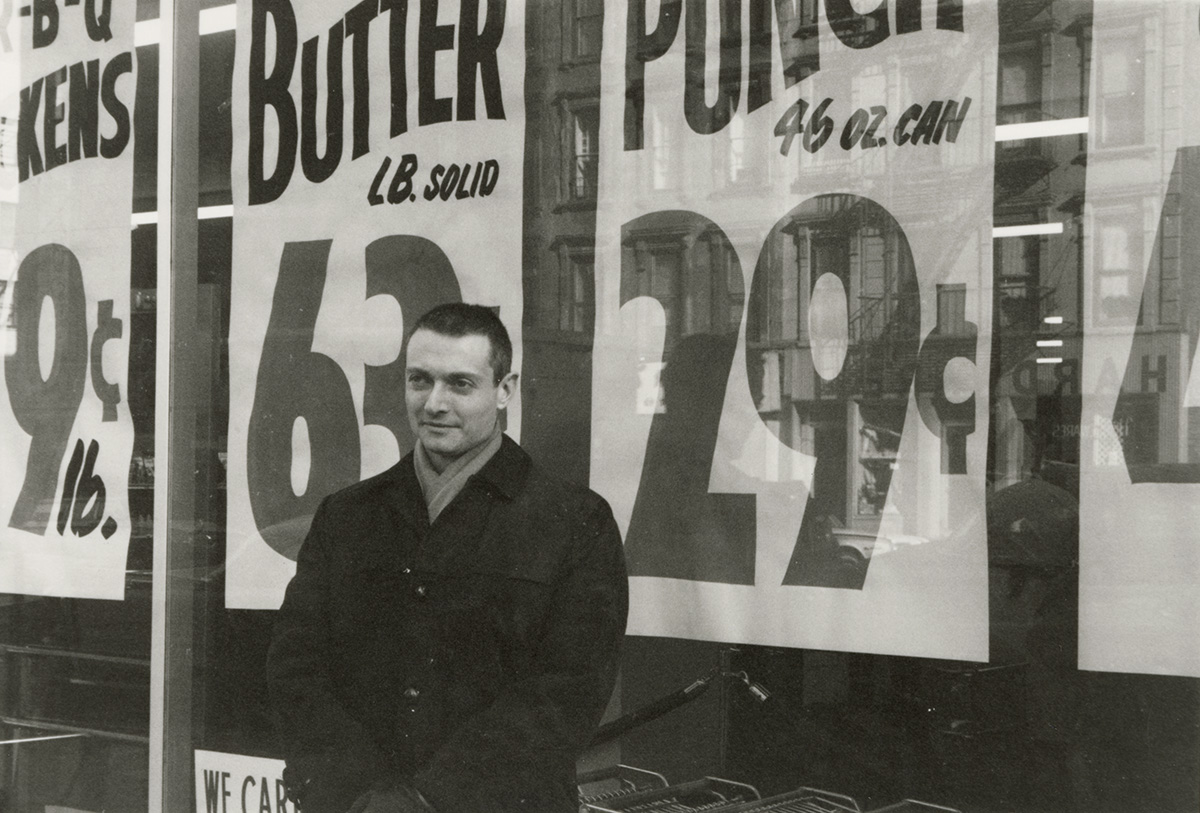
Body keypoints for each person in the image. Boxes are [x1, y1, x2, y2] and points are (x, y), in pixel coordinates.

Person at [266, 303, 628, 813]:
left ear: (505, 390)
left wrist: (431, 799)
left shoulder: (575, 521)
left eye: (460, 384)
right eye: (419, 380)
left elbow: (569, 690)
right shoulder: (346, 515)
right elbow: (296, 667)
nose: (434, 403)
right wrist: (361, 792)